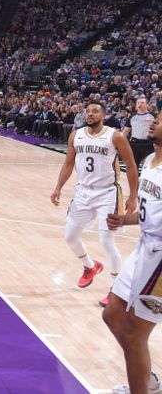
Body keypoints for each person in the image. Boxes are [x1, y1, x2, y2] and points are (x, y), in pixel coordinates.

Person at [51, 102, 138, 307]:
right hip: (83, 192)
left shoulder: (115, 136)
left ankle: (116, 289)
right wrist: (58, 187)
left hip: (108, 192)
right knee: (70, 237)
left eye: (95, 111)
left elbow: (132, 166)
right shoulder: (76, 135)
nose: (90, 114)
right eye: (88, 111)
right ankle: (90, 266)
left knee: (106, 241)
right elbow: (68, 164)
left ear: (104, 115)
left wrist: (133, 196)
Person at [103, 112, 162, 394]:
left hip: (160, 258)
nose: (153, 121)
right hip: (145, 249)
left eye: (160, 120)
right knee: (113, 315)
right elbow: (152, 212)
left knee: (134, 332)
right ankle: (147, 382)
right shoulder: (151, 161)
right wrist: (126, 219)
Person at [124, 96, 155, 180]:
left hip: (148, 144)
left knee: (147, 166)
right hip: (134, 144)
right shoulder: (132, 117)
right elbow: (125, 131)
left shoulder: (153, 116)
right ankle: (134, 189)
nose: (140, 104)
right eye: (138, 103)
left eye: (142, 103)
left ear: (147, 105)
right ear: (136, 105)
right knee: (133, 167)